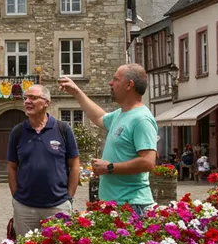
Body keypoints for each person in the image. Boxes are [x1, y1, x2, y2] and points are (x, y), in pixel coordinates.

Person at [58, 64, 158, 215]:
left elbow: (148, 162)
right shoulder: (121, 114)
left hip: (132, 205)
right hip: (116, 204)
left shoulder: (141, 119)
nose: (110, 83)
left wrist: (110, 167)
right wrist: (77, 92)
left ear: (129, 85)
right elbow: (99, 117)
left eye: (115, 79)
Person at [7, 84, 80, 237]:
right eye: (25, 98)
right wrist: (16, 197)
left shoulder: (63, 129)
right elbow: (12, 166)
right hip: (25, 208)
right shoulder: (18, 132)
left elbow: (74, 164)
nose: (27, 101)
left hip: (57, 206)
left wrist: (69, 196)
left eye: (33, 98)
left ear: (47, 102)